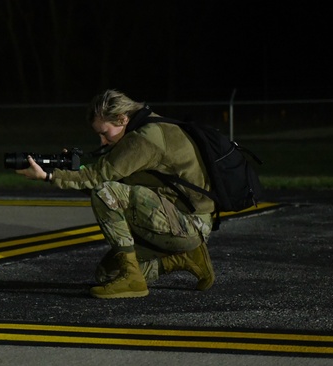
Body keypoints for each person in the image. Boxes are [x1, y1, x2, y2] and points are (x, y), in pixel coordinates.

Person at [14, 89, 215, 299]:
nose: (102, 141)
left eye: (104, 133)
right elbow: (112, 178)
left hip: (188, 224)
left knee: (104, 192)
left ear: (122, 118)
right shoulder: (145, 126)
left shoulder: (145, 138)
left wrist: (49, 176)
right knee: (107, 274)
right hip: (178, 219)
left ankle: (134, 281)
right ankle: (184, 258)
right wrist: (71, 173)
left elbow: (101, 179)